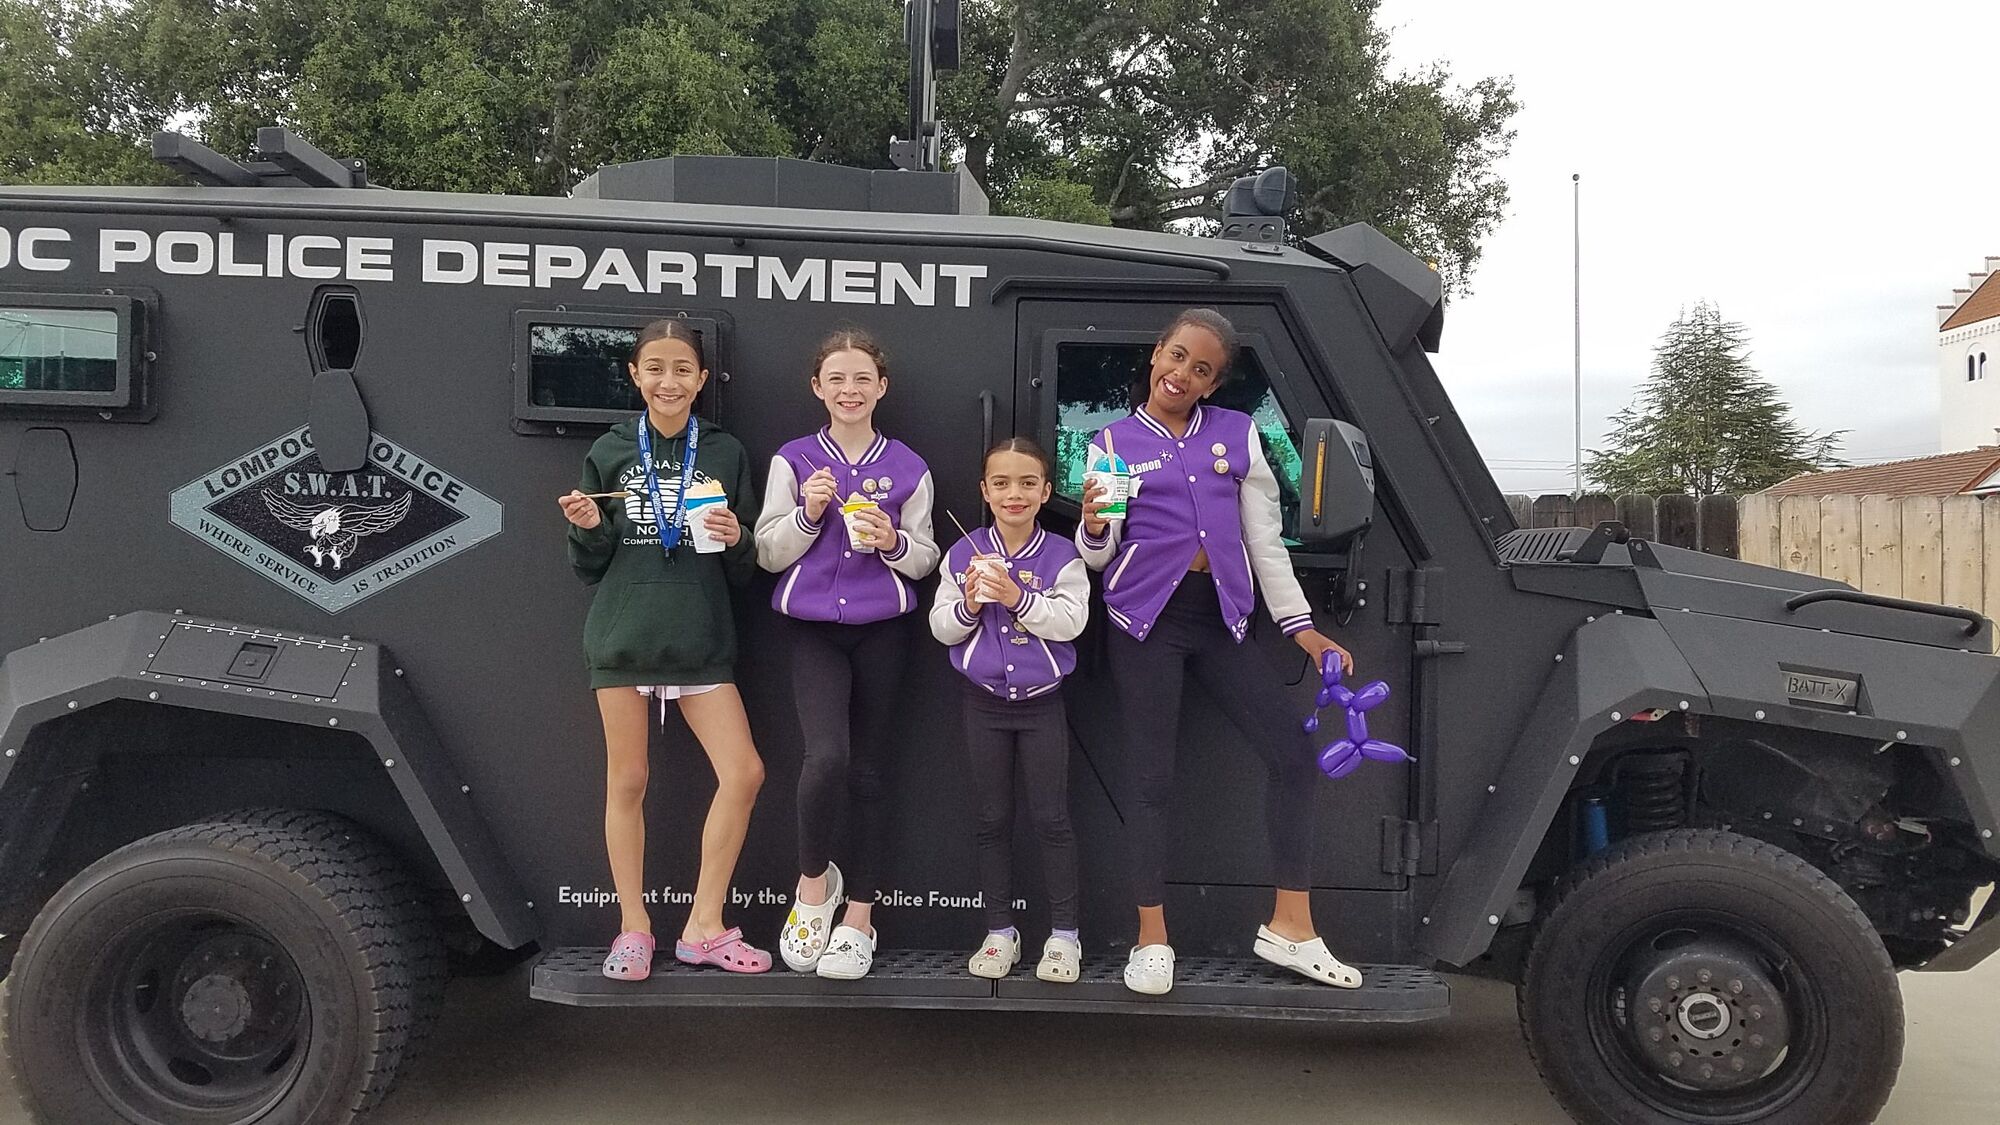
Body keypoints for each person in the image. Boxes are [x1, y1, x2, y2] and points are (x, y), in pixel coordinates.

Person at [1076, 307, 1361, 996]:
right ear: (1157, 353)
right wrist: (1092, 525)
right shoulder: (1111, 442)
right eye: (1177, 356)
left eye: (1201, 369)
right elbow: (1099, 553)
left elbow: (1263, 540)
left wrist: (1300, 626)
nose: (1182, 374)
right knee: (1151, 780)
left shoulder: (1237, 435)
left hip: (1221, 618)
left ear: (1213, 383)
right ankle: (1151, 940)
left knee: (1294, 756)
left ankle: (1291, 927)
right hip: (1144, 621)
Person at [558, 319, 770, 980]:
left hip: (701, 638)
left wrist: (736, 537)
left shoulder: (727, 451)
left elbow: (746, 566)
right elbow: (589, 566)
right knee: (628, 780)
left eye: (682, 369)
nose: (668, 381)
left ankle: (704, 925)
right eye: (655, 367)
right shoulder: (612, 448)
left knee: (744, 773)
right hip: (623, 639)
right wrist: (588, 527)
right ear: (635, 374)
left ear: (702, 379)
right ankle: (634, 928)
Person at [756, 327, 940, 980]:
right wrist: (807, 515)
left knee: (869, 772)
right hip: (813, 631)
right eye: (836, 378)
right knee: (826, 757)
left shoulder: (909, 466)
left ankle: (860, 916)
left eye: (862, 378)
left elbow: (925, 559)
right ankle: (814, 888)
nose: (850, 389)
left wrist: (892, 540)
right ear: (817, 387)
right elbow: (767, 552)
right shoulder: (794, 459)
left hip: (884, 629)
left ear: (882, 387)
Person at [929, 438, 1089, 982]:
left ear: (1045, 492)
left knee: (1052, 819)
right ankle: (1000, 931)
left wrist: (1018, 597)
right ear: (984, 491)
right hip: (983, 703)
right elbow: (941, 627)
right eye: (1001, 483)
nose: (1013, 494)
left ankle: (1064, 935)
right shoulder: (962, 552)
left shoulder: (1063, 555)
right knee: (992, 819)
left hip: (1042, 705)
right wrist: (972, 602)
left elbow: (1071, 622)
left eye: (1026, 483)